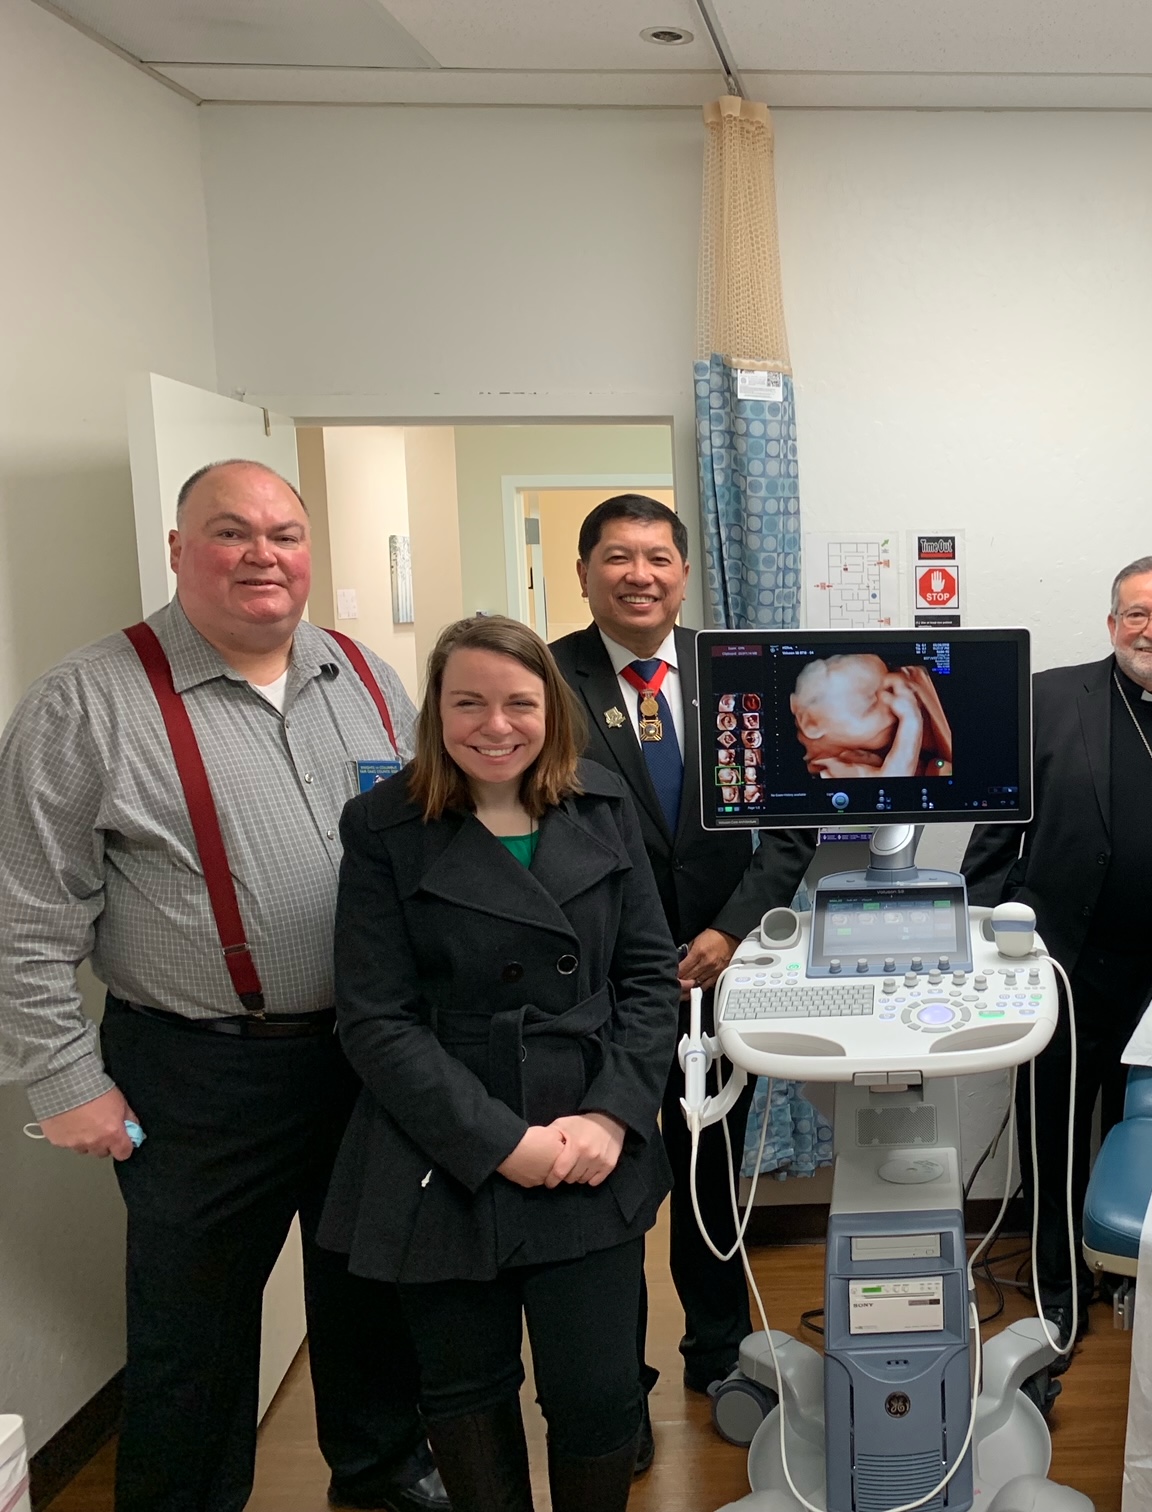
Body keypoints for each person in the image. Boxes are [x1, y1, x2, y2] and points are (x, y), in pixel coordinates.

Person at [0, 460, 444, 1512]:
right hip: (197, 1077)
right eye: (231, 532)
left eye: (284, 534)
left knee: (373, 1295)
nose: (262, 556)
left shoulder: (366, 677)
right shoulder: (85, 702)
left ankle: (383, 1477)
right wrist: (65, 1082)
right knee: (191, 1336)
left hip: (367, 1059)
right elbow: (24, 917)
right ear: (177, 548)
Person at [320, 615, 681, 1512]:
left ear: (550, 711)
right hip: (443, 1139)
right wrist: (497, 1143)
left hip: (587, 1131)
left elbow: (648, 979)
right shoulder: (383, 825)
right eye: (468, 703)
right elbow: (376, 1019)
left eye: (520, 703)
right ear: (434, 711)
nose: (495, 725)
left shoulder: (603, 805)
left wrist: (611, 1115)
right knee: (466, 1394)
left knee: (597, 1393)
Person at [545, 494, 814, 1423]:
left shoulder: (737, 672)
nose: (640, 575)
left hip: (716, 970)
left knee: (710, 1175)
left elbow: (789, 823)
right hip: (596, 982)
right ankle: (615, 1397)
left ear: (685, 573)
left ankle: (719, 1358)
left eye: (658, 558)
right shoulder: (544, 681)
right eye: (618, 557)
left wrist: (733, 929)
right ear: (584, 573)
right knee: (607, 1188)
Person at [964, 554, 1152, 1348]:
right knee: (1055, 1133)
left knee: (1142, 1132)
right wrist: (983, 922)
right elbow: (998, 827)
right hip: (1057, 964)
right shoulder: (1046, 700)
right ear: (1112, 624)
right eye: (1137, 613)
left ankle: (1130, 1273)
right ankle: (1056, 1285)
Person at [791, 653, 955, 777]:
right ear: (811, 723)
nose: (894, 704)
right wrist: (911, 722)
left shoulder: (855, 751)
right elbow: (892, 780)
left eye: (889, 690)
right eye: (868, 704)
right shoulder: (828, 769)